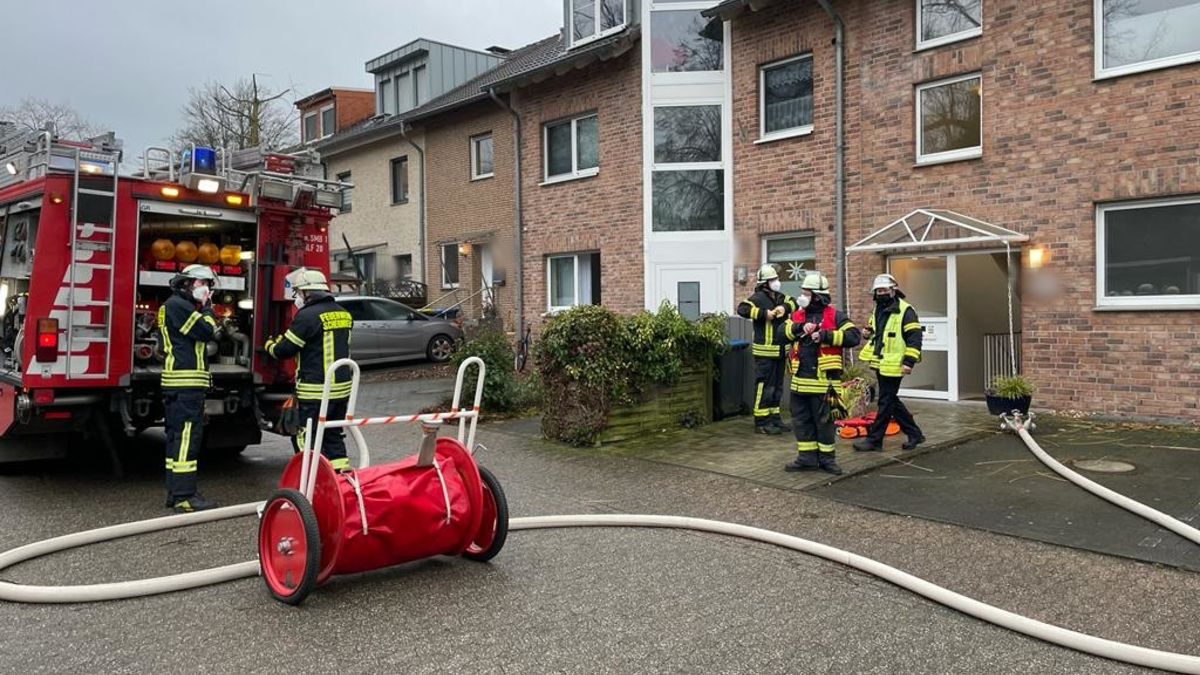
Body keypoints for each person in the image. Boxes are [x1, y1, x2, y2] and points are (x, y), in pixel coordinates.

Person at [264, 268, 354, 470]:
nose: (297, 297)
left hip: (315, 390)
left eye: (298, 293)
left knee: (306, 436)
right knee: (333, 435)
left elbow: (284, 350)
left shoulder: (307, 316)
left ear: (307, 293)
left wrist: (270, 344)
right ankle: (341, 477)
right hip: (341, 390)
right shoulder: (344, 313)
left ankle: (310, 480)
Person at [778, 272, 860, 475]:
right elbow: (781, 333)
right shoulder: (797, 315)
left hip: (826, 385)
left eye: (806, 292)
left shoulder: (835, 315)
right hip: (799, 384)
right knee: (801, 422)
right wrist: (798, 327)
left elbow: (854, 336)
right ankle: (806, 458)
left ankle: (827, 460)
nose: (802, 296)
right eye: (802, 292)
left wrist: (825, 335)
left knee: (825, 424)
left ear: (817, 295)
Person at [159, 264, 219, 512]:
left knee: (177, 439)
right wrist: (207, 309)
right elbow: (207, 332)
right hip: (185, 384)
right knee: (186, 439)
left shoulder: (174, 306)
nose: (206, 290)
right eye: (201, 284)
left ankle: (175, 492)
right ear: (186, 284)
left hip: (180, 383)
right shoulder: (178, 306)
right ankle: (185, 495)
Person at [854, 273, 924, 452]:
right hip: (881, 363)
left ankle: (874, 440)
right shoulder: (878, 309)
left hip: (896, 364)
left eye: (884, 290)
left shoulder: (906, 311)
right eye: (878, 291)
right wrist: (867, 333)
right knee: (890, 400)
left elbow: (915, 338)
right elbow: (876, 330)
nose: (881, 293)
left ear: (893, 291)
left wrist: (909, 362)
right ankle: (915, 434)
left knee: (885, 402)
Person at [736, 264, 796, 434]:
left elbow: (793, 302)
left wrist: (784, 308)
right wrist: (764, 314)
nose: (777, 282)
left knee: (777, 387)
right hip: (765, 353)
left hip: (780, 351)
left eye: (776, 279)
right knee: (764, 387)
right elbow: (742, 309)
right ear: (765, 282)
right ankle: (761, 422)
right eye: (773, 279)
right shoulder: (758, 298)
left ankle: (775, 418)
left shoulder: (779, 297)